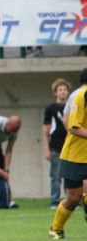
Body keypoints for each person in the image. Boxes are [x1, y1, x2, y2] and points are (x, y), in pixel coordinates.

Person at [48, 78, 87, 240]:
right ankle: (56, 229)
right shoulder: (80, 96)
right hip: (75, 155)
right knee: (73, 198)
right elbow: (71, 126)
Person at [43, 79, 71, 209]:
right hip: (55, 147)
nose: (63, 92)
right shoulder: (51, 108)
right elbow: (46, 130)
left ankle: (69, 201)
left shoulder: (72, 107)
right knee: (55, 176)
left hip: (70, 147)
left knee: (70, 176)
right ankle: (54, 201)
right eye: (60, 90)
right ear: (55, 92)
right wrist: (46, 149)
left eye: (65, 89)